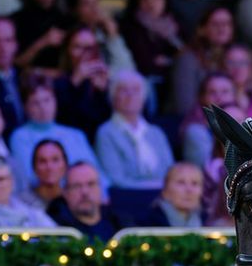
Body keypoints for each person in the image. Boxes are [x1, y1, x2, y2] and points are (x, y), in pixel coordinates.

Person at [95, 70, 175, 219]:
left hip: (162, 200)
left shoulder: (156, 132)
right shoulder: (106, 132)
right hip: (127, 201)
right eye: (123, 90)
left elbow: (170, 172)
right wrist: (159, 187)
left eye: (136, 90)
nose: (130, 95)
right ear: (113, 97)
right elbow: (116, 179)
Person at [9, 75, 99, 192]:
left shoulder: (76, 135)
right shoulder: (20, 137)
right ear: (26, 107)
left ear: (55, 100)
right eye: (35, 103)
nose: (43, 107)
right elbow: (30, 177)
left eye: (47, 100)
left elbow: (97, 172)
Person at [48, 161, 123, 243]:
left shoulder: (121, 224)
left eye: (91, 184)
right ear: (65, 192)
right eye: (76, 186)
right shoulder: (53, 228)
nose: (85, 192)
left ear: (100, 189)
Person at [138, 162, 205, 228]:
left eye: (195, 183)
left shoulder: (208, 223)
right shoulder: (146, 224)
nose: (189, 190)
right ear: (165, 190)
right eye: (181, 183)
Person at [19, 138, 69, 210]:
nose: (49, 167)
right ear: (34, 167)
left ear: (65, 165)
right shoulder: (22, 203)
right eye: (42, 161)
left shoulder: (73, 200)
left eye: (55, 160)